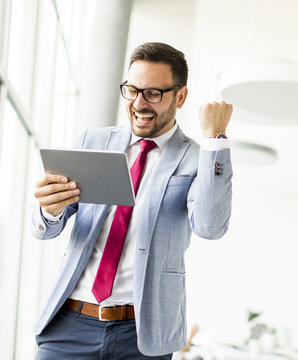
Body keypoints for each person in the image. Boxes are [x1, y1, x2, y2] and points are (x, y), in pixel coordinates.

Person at [31, 42, 233, 359]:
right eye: (132, 90)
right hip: (70, 326)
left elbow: (209, 226)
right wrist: (49, 210)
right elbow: (45, 228)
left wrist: (215, 140)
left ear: (180, 96)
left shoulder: (197, 158)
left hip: (142, 336)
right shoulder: (93, 141)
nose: (139, 103)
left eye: (153, 93)